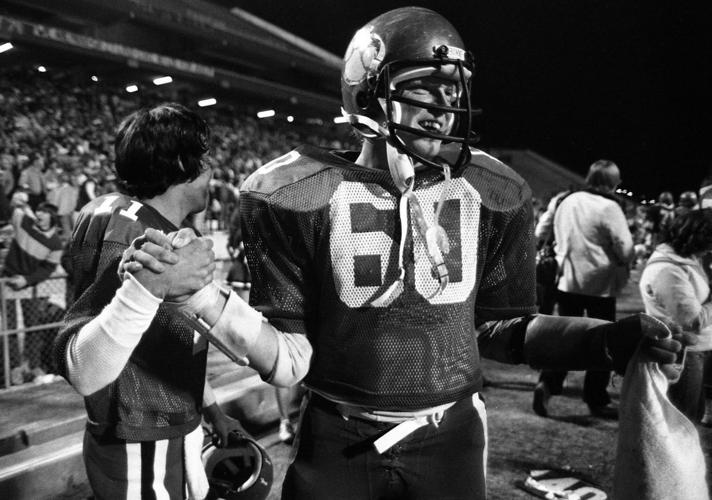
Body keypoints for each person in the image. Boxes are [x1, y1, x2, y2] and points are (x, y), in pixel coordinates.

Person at [125, 8, 689, 499]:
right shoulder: (294, 194)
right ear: (368, 91)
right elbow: (287, 352)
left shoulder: (492, 192)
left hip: (450, 435)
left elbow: (504, 330)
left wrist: (605, 341)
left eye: (453, 90)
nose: (444, 107)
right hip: (337, 429)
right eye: (426, 86)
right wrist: (204, 297)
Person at [52, 103, 248, 499]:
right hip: (142, 428)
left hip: (157, 421)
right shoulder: (141, 236)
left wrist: (210, 410)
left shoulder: (113, 213)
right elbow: (86, 353)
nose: (210, 171)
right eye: (205, 158)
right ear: (181, 163)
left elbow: (166, 345)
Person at [533, 159, 634, 419]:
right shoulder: (609, 207)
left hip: (566, 279)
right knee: (604, 341)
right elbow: (625, 248)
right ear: (612, 182)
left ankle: (548, 383)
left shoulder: (564, 199)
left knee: (566, 337)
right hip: (600, 284)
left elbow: (541, 230)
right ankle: (596, 397)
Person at [639, 209, 712, 423]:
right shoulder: (668, 270)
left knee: (692, 415)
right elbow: (691, 321)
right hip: (684, 353)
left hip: (692, 351)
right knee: (682, 420)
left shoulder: (683, 259)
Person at [0, 195, 64, 383]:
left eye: (44, 212)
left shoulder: (55, 243)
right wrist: (17, 200)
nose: (39, 214)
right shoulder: (24, 221)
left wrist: (26, 280)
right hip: (7, 281)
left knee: (33, 326)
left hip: (30, 285)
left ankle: (34, 365)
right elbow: (13, 207)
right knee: (9, 328)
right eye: (38, 211)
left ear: (52, 216)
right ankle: (14, 368)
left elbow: (48, 268)